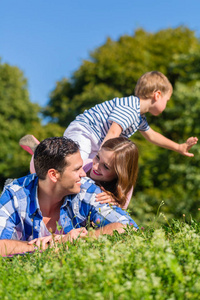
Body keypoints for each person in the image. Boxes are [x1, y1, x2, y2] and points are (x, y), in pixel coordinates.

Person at [0, 137, 138, 256]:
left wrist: (79, 238)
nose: (85, 173)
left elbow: (129, 228)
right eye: (77, 169)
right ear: (54, 175)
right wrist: (46, 246)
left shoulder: (86, 189)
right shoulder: (14, 195)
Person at [62, 71, 198, 160]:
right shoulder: (131, 108)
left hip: (97, 142)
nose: (166, 105)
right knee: (74, 163)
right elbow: (113, 133)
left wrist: (179, 147)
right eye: (166, 100)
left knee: (85, 174)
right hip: (85, 132)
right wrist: (101, 159)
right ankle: (50, 164)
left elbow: (152, 136)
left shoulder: (139, 117)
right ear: (157, 95)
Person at [19, 136, 139, 209]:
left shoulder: (124, 188)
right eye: (97, 157)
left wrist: (114, 202)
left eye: (106, 167)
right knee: (44, 168)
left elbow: (119, 215)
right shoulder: (86, 164)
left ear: (120, 174)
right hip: (50, 169)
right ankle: (39, 149)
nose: (96, 167)